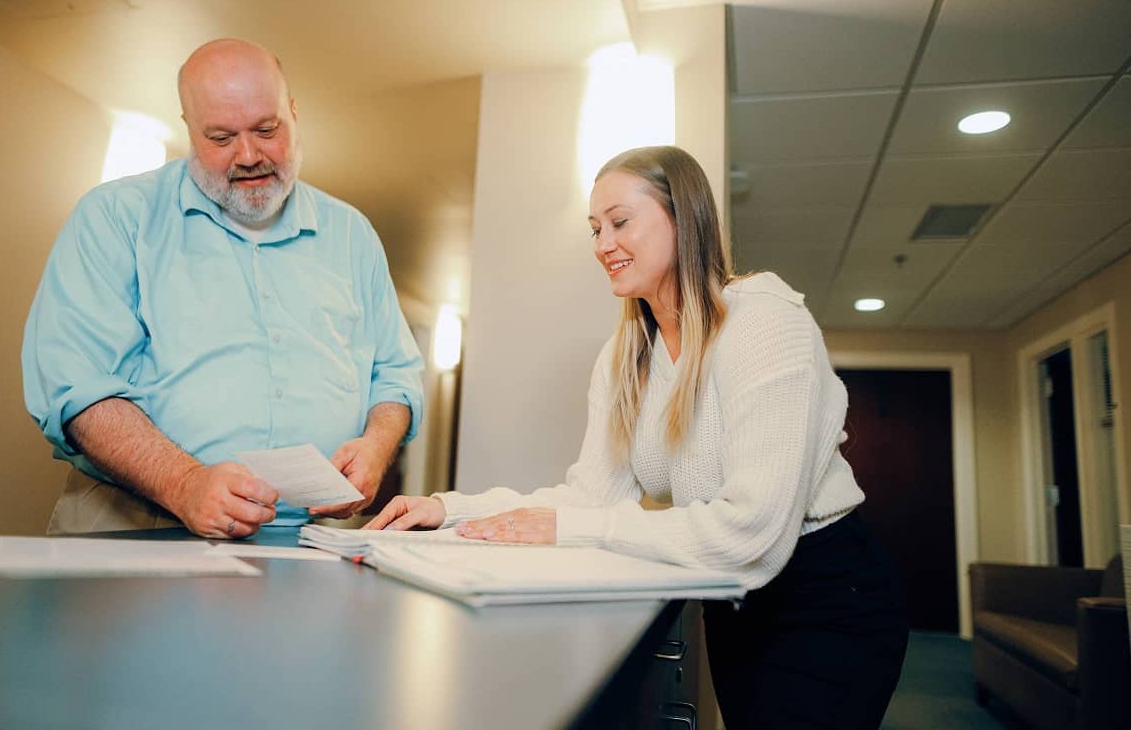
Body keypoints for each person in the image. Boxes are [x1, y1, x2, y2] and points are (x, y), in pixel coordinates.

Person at [366, 145, 908, 727]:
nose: (602, 245)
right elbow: (589, 499)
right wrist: (447, 511)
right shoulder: (627, 356)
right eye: (595, 229)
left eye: (620, 222)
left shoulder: (764, 321)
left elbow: (752, 532)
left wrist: (571, 527)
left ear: (685, 217)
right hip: (730, 601)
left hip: (826, 597)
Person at [22, 39, 423, 539]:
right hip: (135, 519)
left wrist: (376, 446)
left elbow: (396, 375)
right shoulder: (114, 218)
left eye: (266, 129)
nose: (249, 155)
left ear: (294, 114)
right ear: (189, 129)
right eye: (220, 137)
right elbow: (76, 386)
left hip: (309, 535)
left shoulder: (353, 234)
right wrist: (184, 482)